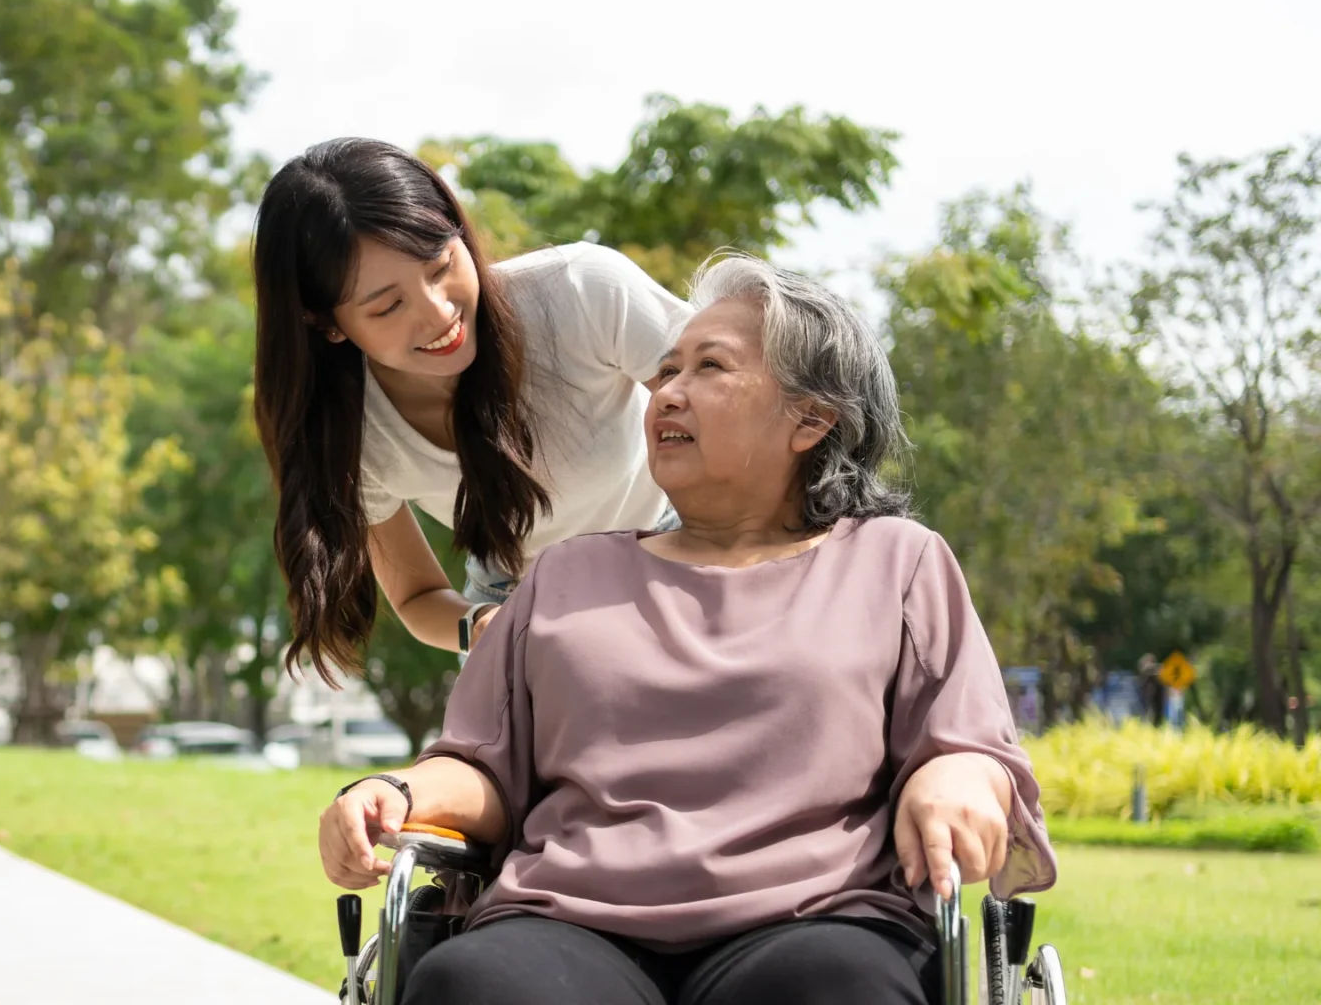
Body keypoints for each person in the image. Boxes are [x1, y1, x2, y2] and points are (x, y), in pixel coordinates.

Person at [314, 256, 1058, 1004]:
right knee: (469, 982)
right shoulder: (564, 576)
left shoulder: (896, 563)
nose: (668, 390)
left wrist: (954, 778)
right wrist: (394, 791)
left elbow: (966, 741)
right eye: (666, 370)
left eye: (709, 366)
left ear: (811, 418)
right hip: (572, 922)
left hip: (813, 918)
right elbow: (481, 766)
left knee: (839, 985)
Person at [252, 137, 691, 677]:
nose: (439, 314)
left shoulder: (582, 290)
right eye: (389, 305)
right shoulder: (349, 433)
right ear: (326, 325)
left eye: (441, 266)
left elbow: (735, 419)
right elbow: (417, 597)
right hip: (524, 605)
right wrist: (484, 625)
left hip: (679, 541)